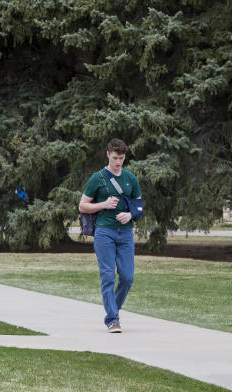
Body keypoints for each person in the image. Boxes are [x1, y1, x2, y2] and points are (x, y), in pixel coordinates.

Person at [78, 139, 143, 333]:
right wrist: (103, 205)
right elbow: (82, 206)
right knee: (107, 276)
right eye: (114, 158)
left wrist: (131, 214)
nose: (118, 162)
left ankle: (113, 309)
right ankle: (112, 319)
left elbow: (138, 205)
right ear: (107, 154)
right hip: (104, 232)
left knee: (127, 277)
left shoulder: (131, 179)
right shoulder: (97, 178)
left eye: (121, 158)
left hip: (125, 233)